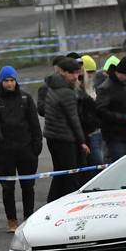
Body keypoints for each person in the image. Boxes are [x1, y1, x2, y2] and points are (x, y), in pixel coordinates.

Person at [0, 66, 42, 233]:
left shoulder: (26, 98)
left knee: (28, 186)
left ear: (16, 81)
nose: (9, 84)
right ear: (1, 82)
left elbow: (34, 124)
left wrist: (36, 146)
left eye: (12, 80)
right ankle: (12, 220)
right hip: (4, 153)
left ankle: (29, 218)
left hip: (26, 151)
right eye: (6, 81)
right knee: (8, 188)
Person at [42, 57, 90, 202]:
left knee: (60, 175)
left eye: (78, 73)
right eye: (73, 74)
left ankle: (52, 203)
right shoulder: (66, 92)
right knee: (71, 176)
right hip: (64, 138)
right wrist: (82, 141)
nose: (76, 77)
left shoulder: (53, 86)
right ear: (63, 72)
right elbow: (73, 119)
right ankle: (69, 204)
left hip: (53, 137)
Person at [96, 57, 126, 162]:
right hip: (115, 136)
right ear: (119, 72)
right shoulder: (105, 88)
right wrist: (124, 119)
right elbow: (101, 111)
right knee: (120, 164)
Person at [80, 55, 104, 172]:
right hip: (90, 133)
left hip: (97, 131)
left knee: (100, 163)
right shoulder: (80, 91)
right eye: (88, 72)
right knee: (97, 164)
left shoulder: (92, 87)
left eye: (93, 73)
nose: (91, 76)